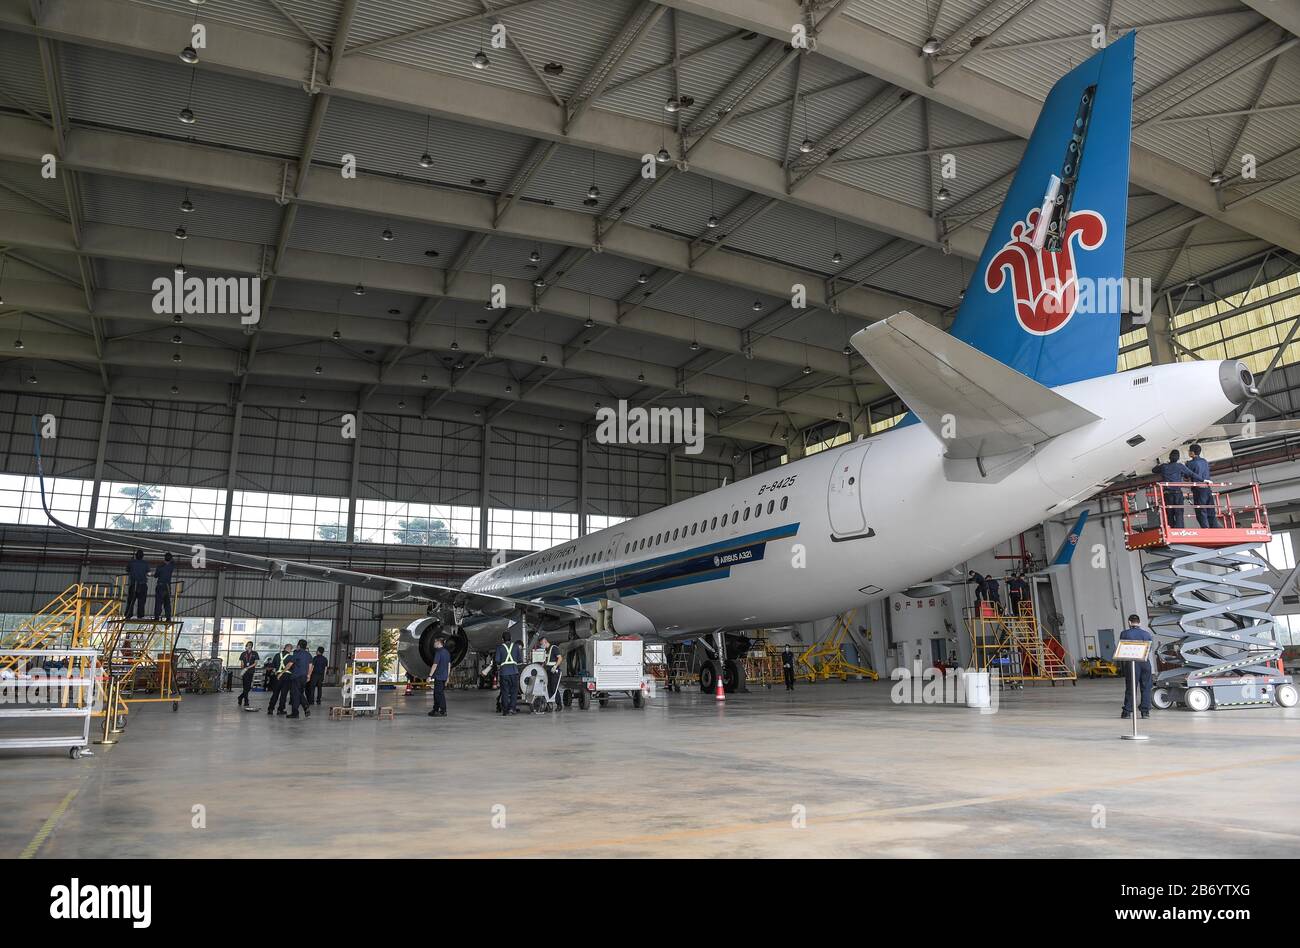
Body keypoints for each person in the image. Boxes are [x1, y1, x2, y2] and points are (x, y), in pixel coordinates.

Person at [1119, 614, 1154, 720]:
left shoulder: (1124, 633)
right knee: (1146, 687)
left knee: (1131, 687)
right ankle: (1145, 712)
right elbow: (1150, 648)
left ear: (1129, 622)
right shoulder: (1147, 634)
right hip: (1144, 662)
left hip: (1132, 663)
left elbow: (1123, 647)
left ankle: (1127, 712)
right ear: (1139, 622)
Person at [1151, 450, 1196, 528]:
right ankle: (1180, 530)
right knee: (1179, 513)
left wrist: (1161, 463)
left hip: (1168, 494)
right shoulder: (1180, 466)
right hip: (1178, 493)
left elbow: (1154, 470)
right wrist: (1203, 480)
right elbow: (1190, 474)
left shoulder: (1164, 466)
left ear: (1169, 457)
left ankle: (1171, 529)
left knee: (1169, 513)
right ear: (1178, 458)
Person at [1185, 444, 1219, 528]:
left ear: (1192, 453)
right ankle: (1214, 527)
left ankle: (1205, 528)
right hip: (1207, 488)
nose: (1188, 452)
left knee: (1201, 510)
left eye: (1189, 451)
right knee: (1210, 509)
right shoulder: (1204, 461)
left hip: (1198, 489)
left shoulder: (1190, 463)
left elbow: (1186, 475)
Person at [285, 638, 313, 719]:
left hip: (296, 676)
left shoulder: (297, 653)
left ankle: (295, 713)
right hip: (304, 677)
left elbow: (290, 664)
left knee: (295, 695)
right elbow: (311, 666)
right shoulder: (308, 655)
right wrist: (309, 675)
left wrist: (282, 672)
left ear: (299, 646)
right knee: (300, 693)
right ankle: (305, 707)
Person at [495, 632, 521, 716]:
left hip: (504, 673)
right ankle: (512, 709)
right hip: (514, 672)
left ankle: (505, 710)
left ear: (502, 639)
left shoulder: (499, 648)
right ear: (511, 638)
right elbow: (519, 659)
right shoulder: (516, 646)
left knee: (505, 691)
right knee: (514, 692)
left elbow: (497, 660)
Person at [426, 636, 450, 718]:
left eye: (435, 642)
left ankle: (443, 711)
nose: (434, 643)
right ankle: (435, 710)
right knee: (436, 694)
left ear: (439, 643)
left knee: (439, 694)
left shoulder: (439, 652)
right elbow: (449, 665)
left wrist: (429, 676)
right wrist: (448, 676)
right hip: (444, 677)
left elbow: (435, 665)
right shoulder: (446, 652)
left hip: (439, 677)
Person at [266, 644, 292, 715]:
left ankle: (270, 709)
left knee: (275, 693)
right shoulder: (290, 657)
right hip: (287, 676)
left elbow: (273, 666)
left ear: (284, 648)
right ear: (289, 649)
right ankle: (280, 709)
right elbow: (291, 667)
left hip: (278, 676)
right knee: (284, 694)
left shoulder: (277, 655)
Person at [124, 549, 149, 620]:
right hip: (142, 585)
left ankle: (128, 615)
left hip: (133, 584)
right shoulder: (145, 563)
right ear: (142, 556)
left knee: (131, 601)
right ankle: (140, 616)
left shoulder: (132, 562)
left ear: (136, 556)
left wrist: (131, 561)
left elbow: (127, 570)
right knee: (141, 601)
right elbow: (148, 572)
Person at [540, 636, 562, 712]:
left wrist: (555, 666)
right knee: (548, 688)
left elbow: (560, 658)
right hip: (548, 671)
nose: (542, 646)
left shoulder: (554, 648)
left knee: (554, 688)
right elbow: (546, 661)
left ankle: (559, 705)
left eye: (542, 644)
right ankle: (549, 705)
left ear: (545, 642)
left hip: (554, 671)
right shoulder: (546, 650)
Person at [152, 552, 176, 621]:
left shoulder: (160, 567)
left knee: (159, 602)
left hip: (160, 586)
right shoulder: (171, 566)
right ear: (171, 559)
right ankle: (168, 618)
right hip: (168, 587)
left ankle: (157, 617)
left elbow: (155, 576)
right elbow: (173, 562)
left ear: (164, 558)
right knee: (167, 603)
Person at [236, 640, 259, 708]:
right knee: (245, 686)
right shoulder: (243, 654)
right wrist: (243, 669)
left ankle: (240, 697)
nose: (248, 646)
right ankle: (246, 701)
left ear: (251, 646)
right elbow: (242, 663)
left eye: (250, 645)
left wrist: (248, 667)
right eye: (247, 645)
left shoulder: (255, 653)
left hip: (251, 671)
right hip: (245, 672)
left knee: (248, 687)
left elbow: (255, 663)